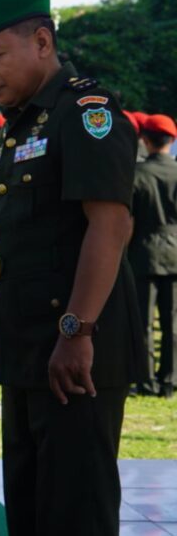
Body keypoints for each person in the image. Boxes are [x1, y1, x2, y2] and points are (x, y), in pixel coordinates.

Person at [0, 0, 141, 536]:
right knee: (32, 513)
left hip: (76, 354)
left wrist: (76, 331)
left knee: (74, 514)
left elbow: (111, 225)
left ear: (41, 41)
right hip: (32, 349)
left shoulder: (84, 112)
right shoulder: (28, 122)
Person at [129, 113, 177, 398]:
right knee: (171, 322)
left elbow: (129, 221)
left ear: (144, 141)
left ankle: (145, 380)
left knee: (143, 323)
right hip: (174, 253)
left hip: (144, 252)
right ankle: (169, 380)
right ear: (171, 141)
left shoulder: (137, 173)